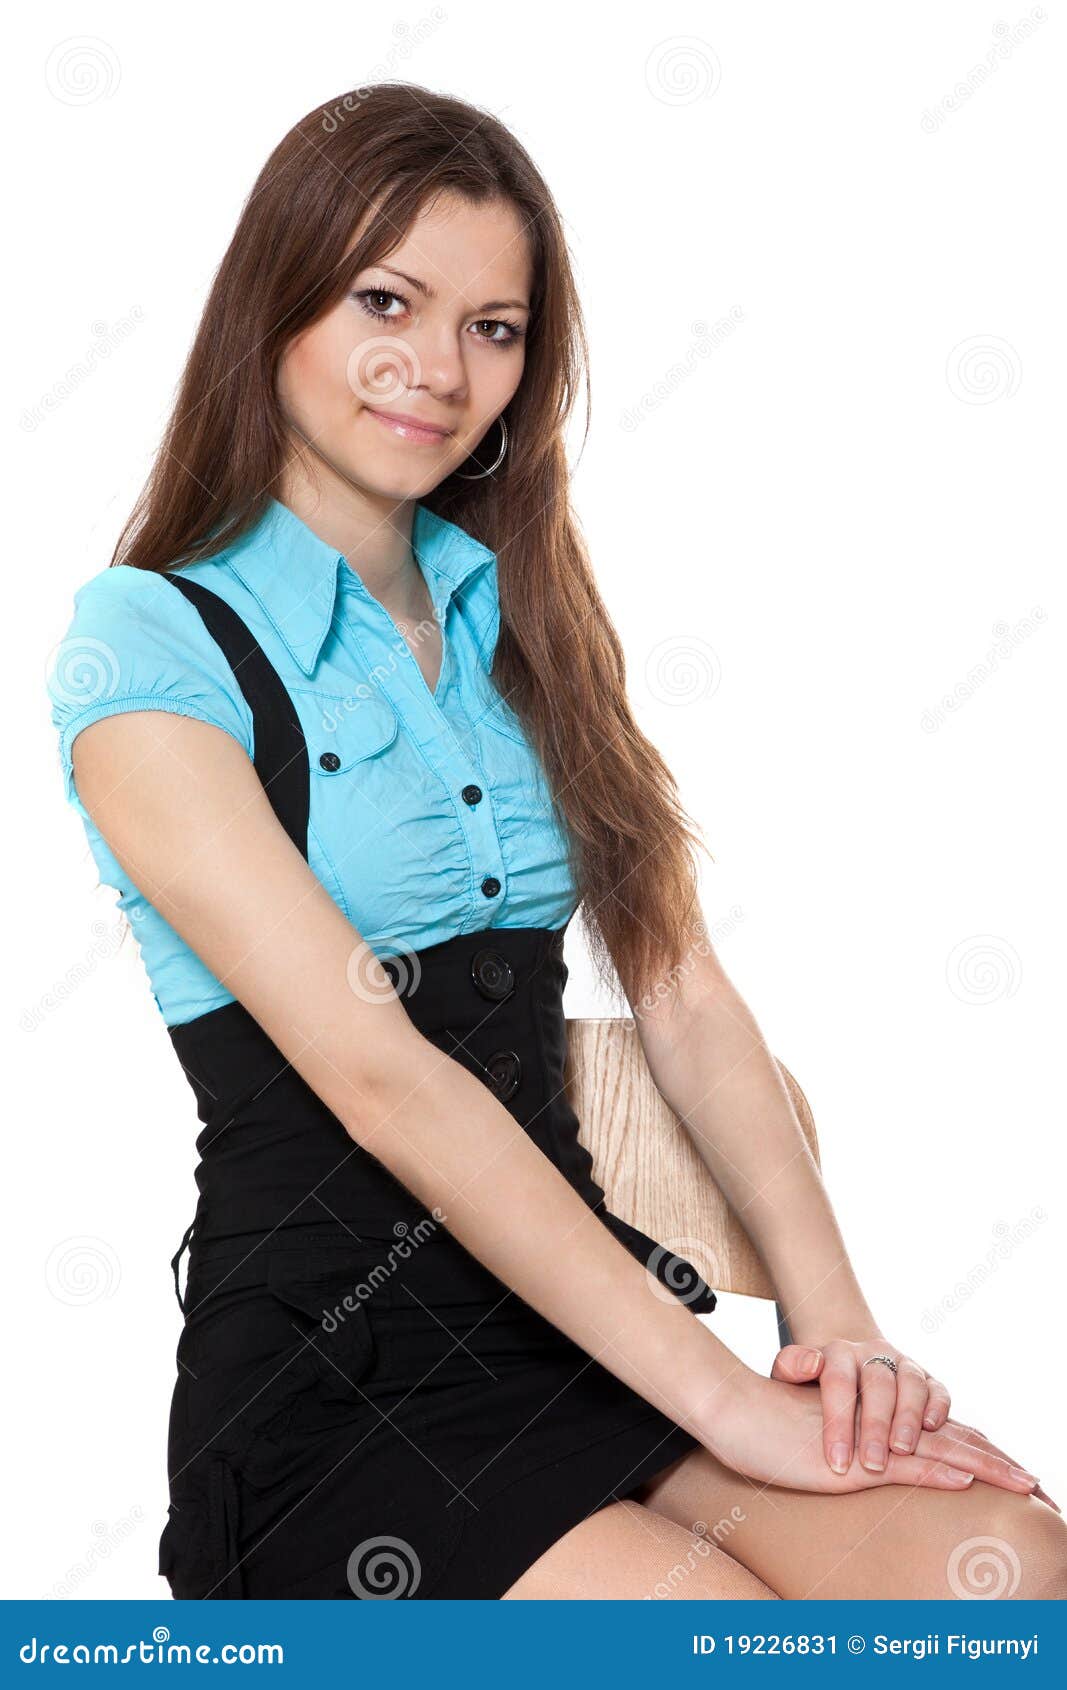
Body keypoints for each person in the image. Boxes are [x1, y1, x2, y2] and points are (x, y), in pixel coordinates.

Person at [47, 83, 1066, 1601]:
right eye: (386, 300)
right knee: (704, 1624)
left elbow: (686, 993)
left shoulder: (523, 621)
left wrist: (831, 1331)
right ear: (280, 303)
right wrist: (729, 1404)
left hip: (577, 1335)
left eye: (495, 327)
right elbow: (390, 1083)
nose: (439, 369)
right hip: (338, 1386)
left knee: (1004, 1567)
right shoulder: (149, 644)